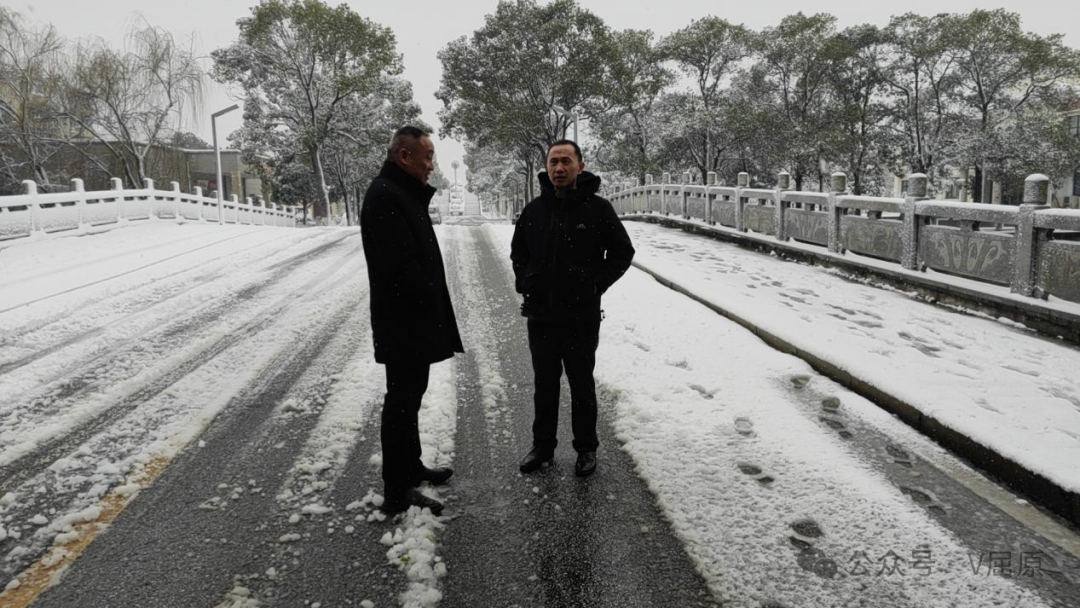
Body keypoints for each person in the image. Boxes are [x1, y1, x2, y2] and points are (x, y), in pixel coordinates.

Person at [510, 140, 635, 477]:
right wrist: (525, 280)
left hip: (581, 317)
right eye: (554, 162)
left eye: (566, 161)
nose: (559, 168)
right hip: (541, 316)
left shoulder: (598, 209)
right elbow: (518, 253)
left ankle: (586, 449)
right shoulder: (534, 211)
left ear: (580, 166)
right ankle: (543, 447)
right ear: (547, 167)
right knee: (545, 385)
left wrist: (597, 283)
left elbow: (623, 253)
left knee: (581, 385)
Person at [360, 126, 463, 515]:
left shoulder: (398, 191)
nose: (431, 165)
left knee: (410, 397)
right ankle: (396, 488)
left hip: (410, 319)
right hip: (403, 321)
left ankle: (411, 466)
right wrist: (427, 300)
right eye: (427, 157)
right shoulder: (386, 196)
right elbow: (400, 268)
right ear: (404, 156)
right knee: (401, 403)